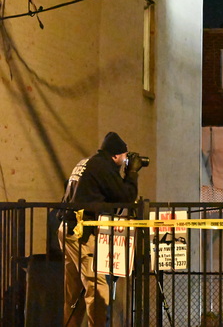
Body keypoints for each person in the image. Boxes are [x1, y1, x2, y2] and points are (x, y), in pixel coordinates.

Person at [58, 132, 144, 327]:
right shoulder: (103, 167)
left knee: (75, 292)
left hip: (68, 229)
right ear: (115, 155)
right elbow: (126, 196)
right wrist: (132, 174)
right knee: (97, 289)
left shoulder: (87, 163)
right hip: (82, 233)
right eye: (124, 156)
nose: (125, 160)